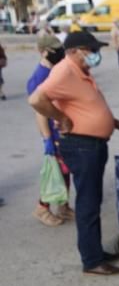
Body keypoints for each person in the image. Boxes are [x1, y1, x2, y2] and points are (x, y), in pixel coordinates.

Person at [28, 30, 119, 276]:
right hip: (82, 146)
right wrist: (60, 118)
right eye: (91, 50)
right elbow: (36, 99)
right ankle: (92, 260)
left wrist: (114, 123)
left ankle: (95, 252)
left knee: (92, 201)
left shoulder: (81, 72)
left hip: (91, 145)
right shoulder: (64, 70)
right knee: (88, 204)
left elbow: (87, 106)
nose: (96, 54)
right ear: (74, 51)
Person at [26, 33, 73, 226]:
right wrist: (48, 139)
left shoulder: (55, 71)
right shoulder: (39, 78)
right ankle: (42, 208)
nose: (60, 53)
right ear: (44, 52)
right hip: (53, 134)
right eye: (56, 50)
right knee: (56, 171)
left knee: (66, 170)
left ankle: (63, 206)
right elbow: (40, 113)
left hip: (63, 130)